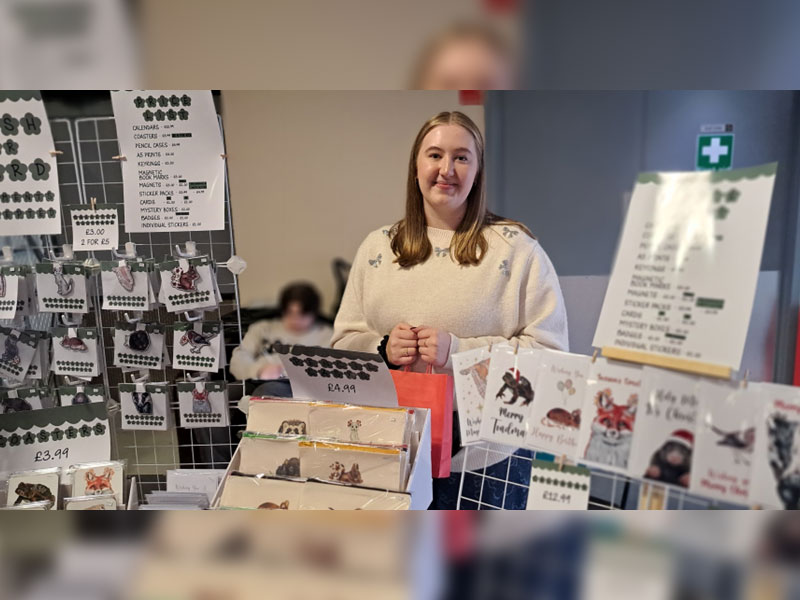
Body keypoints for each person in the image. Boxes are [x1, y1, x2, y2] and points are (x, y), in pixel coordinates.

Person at [331, 111, 569, 509]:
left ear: (478, 171)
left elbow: (551, 356)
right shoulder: (378, 247)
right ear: (416, 167)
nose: (447, 170)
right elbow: (342, 344)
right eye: (435, 155)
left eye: (461, 157)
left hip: (488, 460)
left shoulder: (517, 249)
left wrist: (458, 353)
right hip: (389, 449)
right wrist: (382, 348)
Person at [231, 282, 333, 383]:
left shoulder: (327, 336)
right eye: (290, 313)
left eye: (302, 314)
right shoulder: (263, 329)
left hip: (303, 386)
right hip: (258, 380)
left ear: (314, 313)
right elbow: (238, 360)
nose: (296, 320)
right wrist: (258, 371)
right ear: (283, 311)